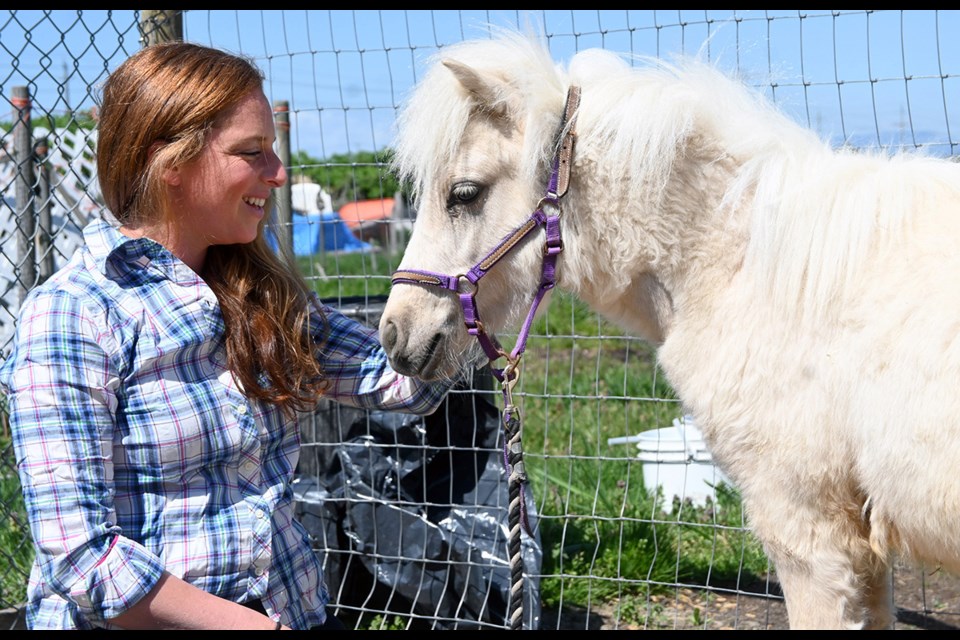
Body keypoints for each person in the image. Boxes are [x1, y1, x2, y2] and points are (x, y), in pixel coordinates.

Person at [0, 41, 455, 630]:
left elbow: (398, 381)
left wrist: (479, 297)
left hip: (291, 611)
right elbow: (82, 559)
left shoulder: (258, 292)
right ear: (171, 163)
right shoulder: (74, 315)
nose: (280, 171)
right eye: (252, 152)